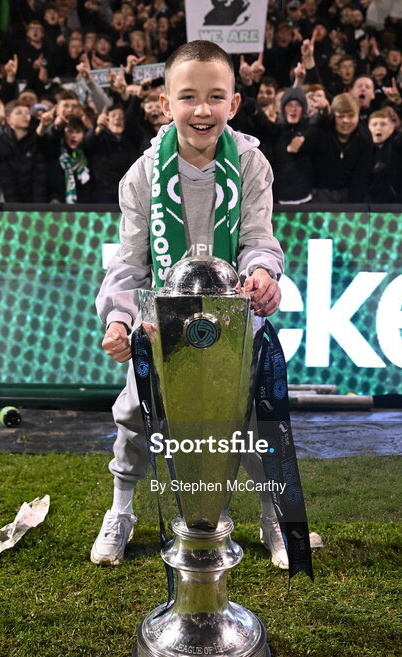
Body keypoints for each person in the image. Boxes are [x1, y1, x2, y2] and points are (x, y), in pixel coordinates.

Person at [92, 40, 285, 568]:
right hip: (162, 325)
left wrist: (263, 273)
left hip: (233, 318)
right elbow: (131, 263)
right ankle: (121, 510)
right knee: (133, 414)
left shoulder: (250, 163)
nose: (202, 110)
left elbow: (257, 238)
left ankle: (274, 515)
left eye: (215, 97)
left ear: (234, 104)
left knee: (252, 417)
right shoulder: (142, 174)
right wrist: (118, 317)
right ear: (166, 103)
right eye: (189, 97)